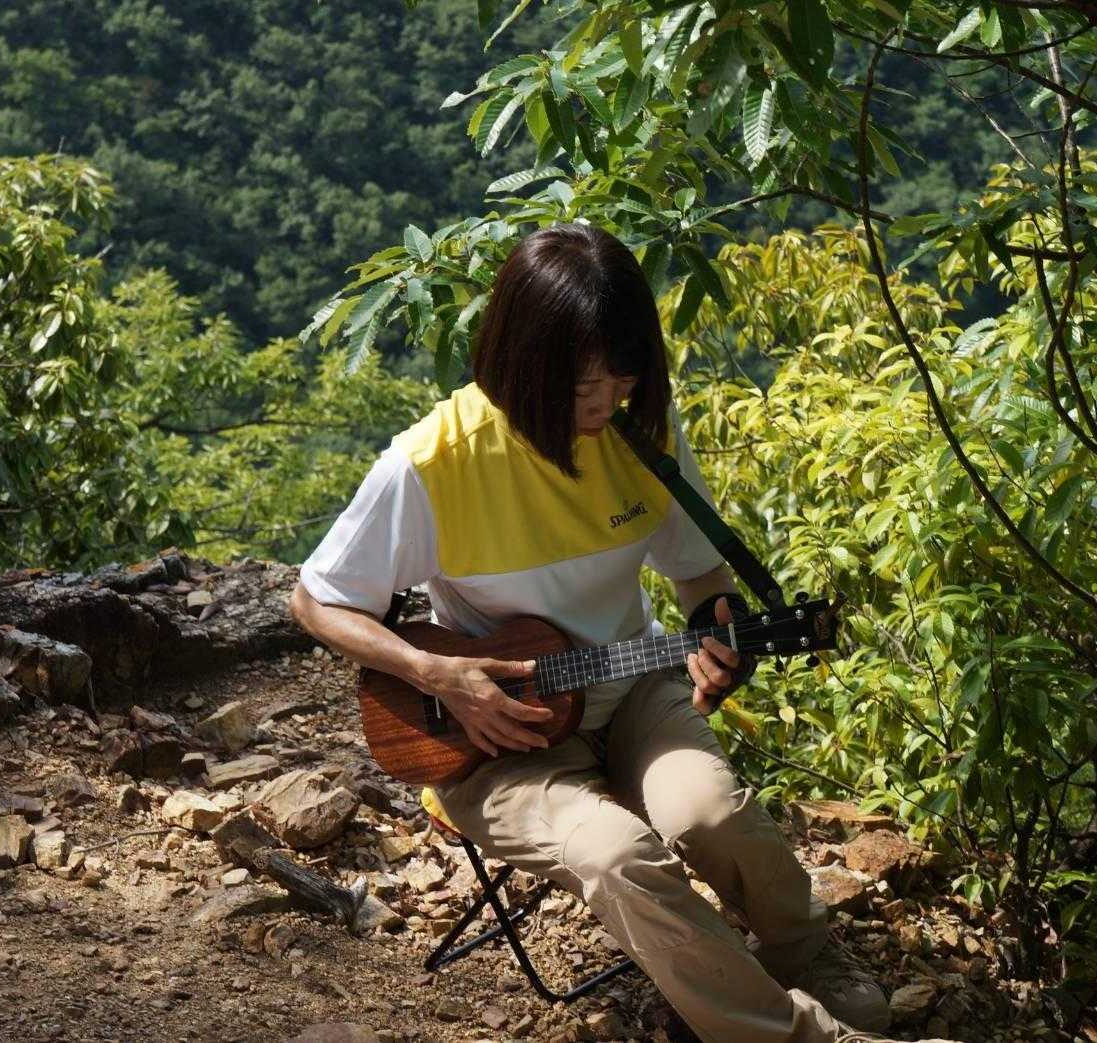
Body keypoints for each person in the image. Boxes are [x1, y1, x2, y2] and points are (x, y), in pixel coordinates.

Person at [289, 223, 938, 1043]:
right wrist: (434, 672)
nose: (605, 407)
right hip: (498, 743)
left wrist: (716, 634)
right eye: (581, 389)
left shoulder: (640, 434)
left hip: (633, 689)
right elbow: (317, 600)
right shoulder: (432, 464)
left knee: (711, 812)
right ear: (521, 363)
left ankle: (808, 952)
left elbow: (700, 575)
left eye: (622, 381)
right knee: (617, 854)